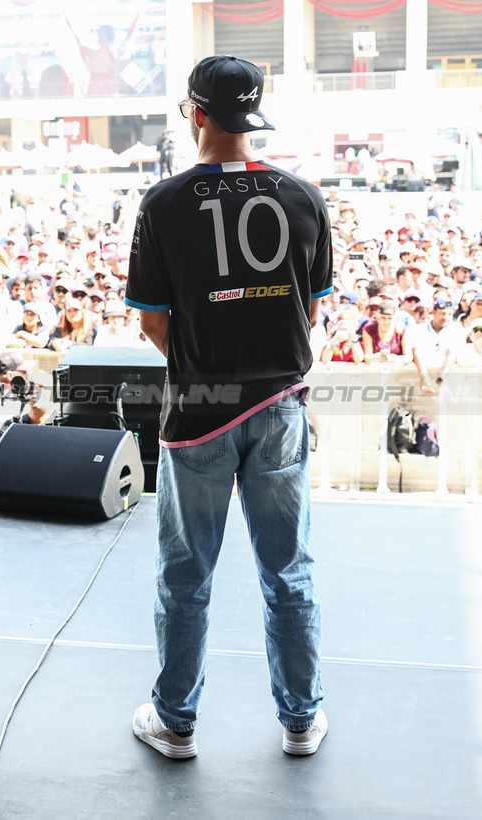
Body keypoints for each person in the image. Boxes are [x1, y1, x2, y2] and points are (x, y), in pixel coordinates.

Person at [126, 56, 329, 760]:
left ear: (195, 113)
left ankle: (175, 722)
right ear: (253, 114)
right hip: (279, 408)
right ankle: (301, 719)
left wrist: (207, 360)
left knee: (186, 575)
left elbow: (154, 324)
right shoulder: (303, 197)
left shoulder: (162, 203)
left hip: (199, 416)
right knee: (289, 572)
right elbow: (306, 313)